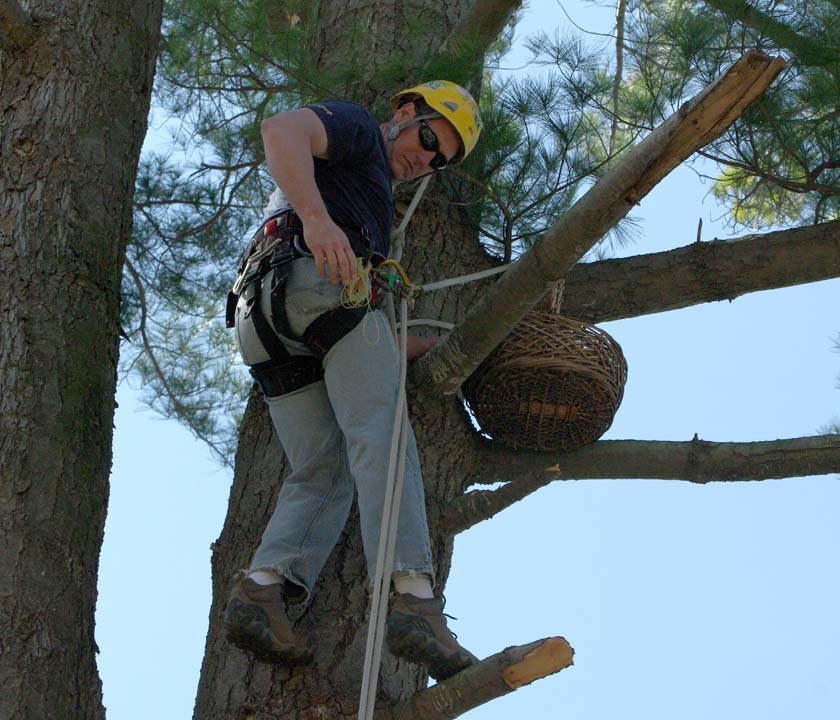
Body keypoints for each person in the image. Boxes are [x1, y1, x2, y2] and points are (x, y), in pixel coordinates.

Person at [223, 81, 482, 681]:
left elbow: (354, 346)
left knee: (327, 467)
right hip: (313, 285)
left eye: (437, 159)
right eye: (426, 139)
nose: (424, 159)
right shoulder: (361, 130)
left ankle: (262, 589)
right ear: (404, 112)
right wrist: (316, 220)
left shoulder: (365, 194)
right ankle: (414, 595)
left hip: (264, 318)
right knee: (383, 433)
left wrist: (427, 347)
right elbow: (279, 129)